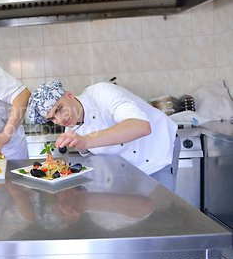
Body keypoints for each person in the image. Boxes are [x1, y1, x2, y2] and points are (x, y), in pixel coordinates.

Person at [27, 81, 180, 191]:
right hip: (128, 167)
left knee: (161, 214)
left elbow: (141, 126)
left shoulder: (101, 93)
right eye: (52, 118)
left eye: (59, 109)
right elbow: (95, 157)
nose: (59, 120)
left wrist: (86, 141)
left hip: (157, 148)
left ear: (69, 95)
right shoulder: (71, 128)